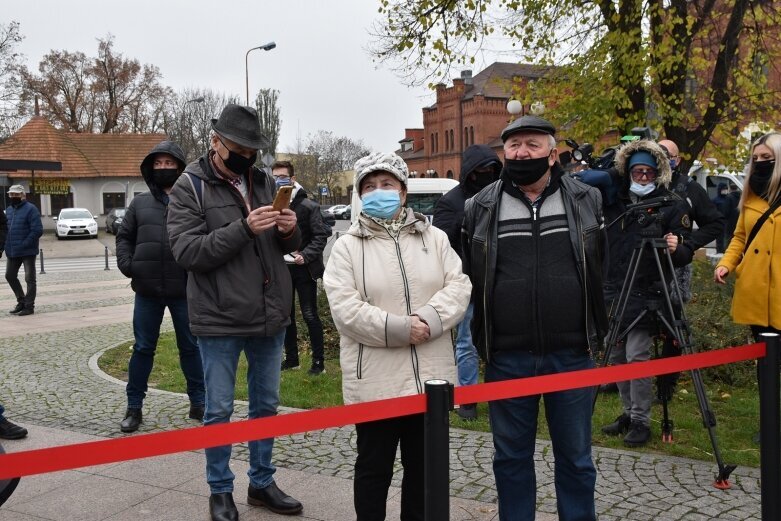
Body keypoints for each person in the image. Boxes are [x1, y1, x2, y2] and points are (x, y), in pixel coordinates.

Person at [461, 115, 608, 521]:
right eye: (513, 145)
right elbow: (470, 275)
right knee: (510, 460)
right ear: (503, 153)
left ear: (552, 153)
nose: (521, 152)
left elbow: (600, 267)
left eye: (531, 144)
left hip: (572, 354)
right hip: (509, 357)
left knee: (577, 460)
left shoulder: (586, 199)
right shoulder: (481, 206)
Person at [167, 104, 303, 521]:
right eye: (238, 147)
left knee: (265, 406)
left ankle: (262, 482)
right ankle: (220, 490)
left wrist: (287, 229)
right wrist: (244, 227)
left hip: (269, 312)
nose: (246, 155)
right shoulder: (189, 187)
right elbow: (187, 251)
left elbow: (283, 246)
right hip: (220, 317)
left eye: (252, 148)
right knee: (220, 409)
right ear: (216, 143)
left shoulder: (262, 180)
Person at [324, 151, 471, 521]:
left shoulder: (434, 238)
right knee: (373, 469)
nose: (379, 192)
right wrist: (402, 329)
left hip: (430, 378)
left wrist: (428, 320)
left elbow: (459, 286)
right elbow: (346, 310)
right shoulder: (347, 247)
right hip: (375, 378)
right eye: (369, 186)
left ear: (403, 191)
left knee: (423, 472)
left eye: (387, 184)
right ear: (360, 194)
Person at [599, 140, 693, 447]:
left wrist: (676, 246)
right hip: (617, 289)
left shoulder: (672, 204)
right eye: (637, 172)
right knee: (616, 355)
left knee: (637, 356)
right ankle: (628, 412)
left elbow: (684, 251)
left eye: (647, 173)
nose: (642, 178)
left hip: (648, 289)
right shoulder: (619, 203)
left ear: (657, 173)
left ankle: (641, 420)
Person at [115, 141, 206, 433]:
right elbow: (124, 236)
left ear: (179, 167)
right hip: (147, 290)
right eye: (158, 164)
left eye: (169, 164)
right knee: (143, 348)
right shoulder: (139, 203)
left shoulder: (191, 199)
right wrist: (129, 264)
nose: (164, 168)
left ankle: (199, 402)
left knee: (191, 348)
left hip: (184, 288)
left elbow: (206, 237)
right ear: (150, 168)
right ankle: (134, 407)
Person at [433, 144, 501, 420]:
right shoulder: (451, 202)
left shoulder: (503, 195)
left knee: (501, 341)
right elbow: (441, 245)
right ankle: (468, 397)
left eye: (492, 170)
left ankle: (500, 394)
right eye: (482, 170)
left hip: (500, 280)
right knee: (467, 342)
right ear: (471, 173)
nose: (488, 174)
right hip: (468, 283)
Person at [715, 131, 781, 343]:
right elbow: (740, 237)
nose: (759, 163)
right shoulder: (749, 194)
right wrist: (726, 264)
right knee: (764, 361)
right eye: (755, 159)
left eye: (766, 158)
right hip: (755, 291)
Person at [273, 160, 331, 375]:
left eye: (282, 176)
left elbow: (320, 236)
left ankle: (318, 363)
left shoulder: (308, 206)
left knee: (309, 315)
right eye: (275, 176)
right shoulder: (274, 204)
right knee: (286, 316)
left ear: (293, 179)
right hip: (283, 269)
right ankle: (292, 359)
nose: (278, 180)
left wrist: (305, 256)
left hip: (304, 270)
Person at [4, 185, 42, 316]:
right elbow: (4, 229)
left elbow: (37, 230)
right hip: (12, 250)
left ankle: (29, 306)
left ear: (23, 195)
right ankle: (21, 301)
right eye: (12, 195)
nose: (14, 197)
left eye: (16, 195)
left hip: (28, 251)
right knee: (9, 276)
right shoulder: (8, 210)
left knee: (29, 279)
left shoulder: (31, 209)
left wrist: (25, 243)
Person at [711, 182, 735, 253]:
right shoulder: (715, 200)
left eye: (726, 189)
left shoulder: (729, 198)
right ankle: (719, 252)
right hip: (719, 222)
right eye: (723, 189)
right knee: (720, 239)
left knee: (728, 239)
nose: (725, 190)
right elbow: (713, 212)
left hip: (728, 222)